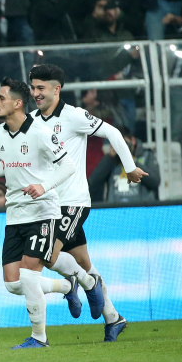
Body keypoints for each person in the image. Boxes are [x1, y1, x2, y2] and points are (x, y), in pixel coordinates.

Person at [0, 77, 83, 349]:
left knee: (29, 276)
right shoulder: (0, 132)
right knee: (13, 284)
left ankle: (39, 338)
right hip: (14, 215)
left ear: (17, 103)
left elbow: (68, 166)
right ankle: (68, 286)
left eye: (1, 98)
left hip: (42, 212)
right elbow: (6, 164)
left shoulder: (41, 132)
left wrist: (43, 186)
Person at [29, 63, 142, 341]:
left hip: (73, 201)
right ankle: (113, 317)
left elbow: (114, 133)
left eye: (41, 88)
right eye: (32, 88)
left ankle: (79, 284)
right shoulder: (31, 121)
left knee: (49, 256)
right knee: (83, 262)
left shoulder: (74, 116)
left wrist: (129, 167)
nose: (35, 93)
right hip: (48, 203)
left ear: (57, 89)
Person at [89, 125, 161, 203]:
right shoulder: (111, 161)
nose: (122, 148)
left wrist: (130, 162)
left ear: (132, 141)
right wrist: (110, 158)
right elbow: (93, 182)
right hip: (115, 208)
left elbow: (155, 181)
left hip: (140, 207)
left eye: (124, 143)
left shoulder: (147, 155)